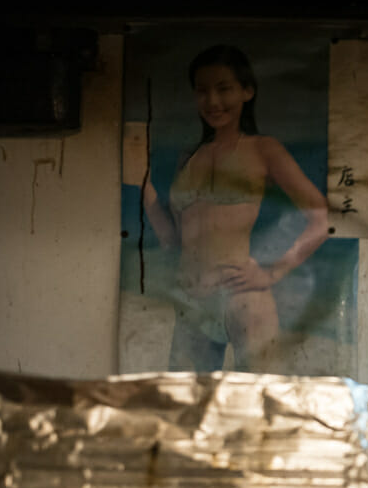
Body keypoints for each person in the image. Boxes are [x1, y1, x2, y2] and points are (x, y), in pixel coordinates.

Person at [140, 44, 329, 372]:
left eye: (224, 89)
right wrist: (144, 188)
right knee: (187, 409)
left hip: (242, 298)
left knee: (257, 406)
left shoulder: (262, 149)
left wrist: (273, 271)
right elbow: (172, 239)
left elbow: (321, 219)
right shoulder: (189, 157)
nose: (212, 101)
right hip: (193, 302)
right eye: (202, 91)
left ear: (247, 91)